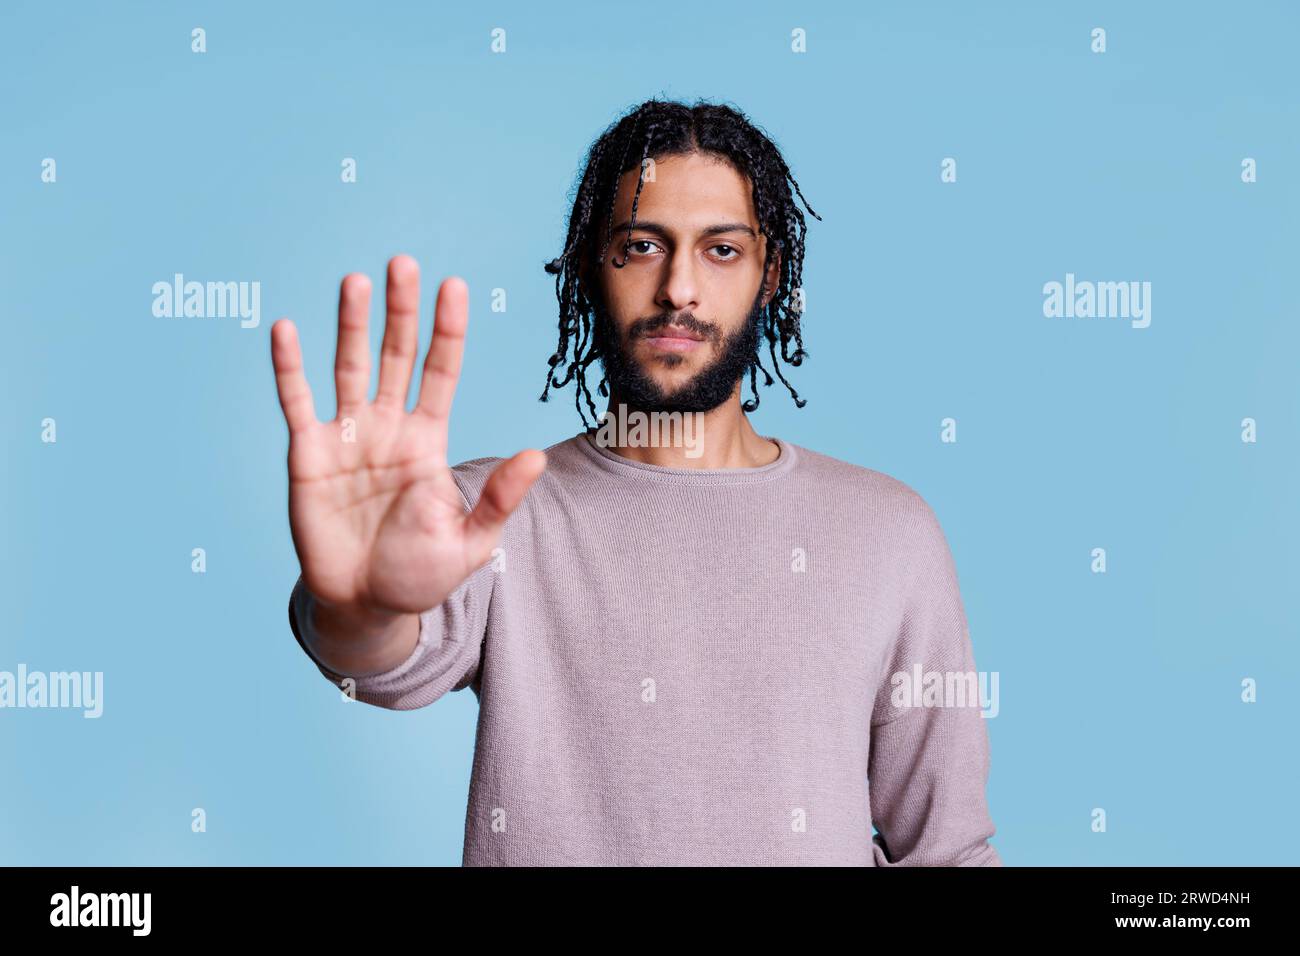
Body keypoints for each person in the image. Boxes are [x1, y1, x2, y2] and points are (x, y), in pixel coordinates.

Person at [270, 98, 1002, 866]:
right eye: (644, 245)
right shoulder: (487, 515)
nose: (679, 289)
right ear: (591, 262)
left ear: (769, 274)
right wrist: (355, 604)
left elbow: (947, 851)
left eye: (721, 250)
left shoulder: (888, 530)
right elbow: (376, 659)